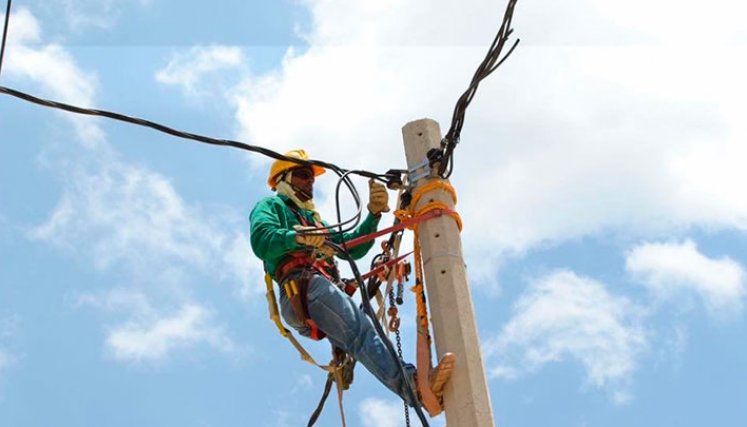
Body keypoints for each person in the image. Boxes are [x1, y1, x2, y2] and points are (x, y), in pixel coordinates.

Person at [249, 149, 454, 410]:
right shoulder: (271, 206)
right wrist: (295, 237)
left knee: (361, 330)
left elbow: (351, 248)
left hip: (315, 288)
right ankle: (414, 386)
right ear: (282, 180)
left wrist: (373, 214)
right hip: (299, 287)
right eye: (302, 175)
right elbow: (262, 240)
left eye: (312, 177)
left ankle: (414, 385)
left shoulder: (313, 220)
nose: (310, 182)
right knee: (361, 331)